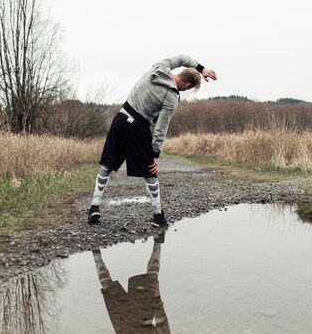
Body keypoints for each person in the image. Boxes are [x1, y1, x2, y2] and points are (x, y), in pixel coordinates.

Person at [87, 54, 217, 226]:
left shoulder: (159, 67)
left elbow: (181, 57)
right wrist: (155, 154)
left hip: (121, 117)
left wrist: (202, 69)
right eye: (187, 89)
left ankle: (94, 206)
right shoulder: (171, 97)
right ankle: (157, 216)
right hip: (138, 127)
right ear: (186, 85)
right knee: (150, 171)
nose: (184, 91)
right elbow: (160, 129)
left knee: (107, 164)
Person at [92, 234, 218, 334]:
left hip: (135, 328)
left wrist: (157, 298)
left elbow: (162, 325)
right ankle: (95, 252)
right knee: (110, 288)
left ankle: (157, 243)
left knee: (150, 282)